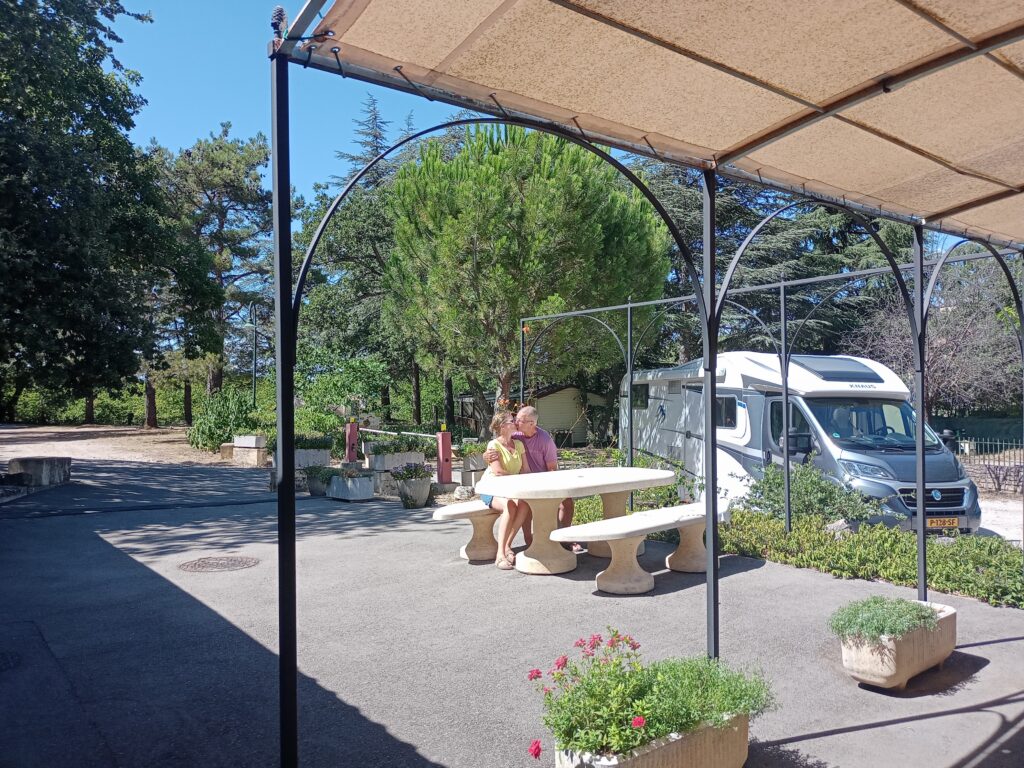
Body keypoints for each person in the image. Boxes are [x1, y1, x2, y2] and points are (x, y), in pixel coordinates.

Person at [484, 405, 579, 552]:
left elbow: (552, 468)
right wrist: (486, 456)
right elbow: (497, 446)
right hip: (519, 482)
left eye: (520, 420)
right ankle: (528, 540)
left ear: (532, 424)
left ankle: (565, 539)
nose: (516, 422)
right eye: (515, 419)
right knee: (523, 503)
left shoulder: (544, 440)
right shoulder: (516, 435)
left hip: (540, 479)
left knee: (566, 501)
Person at [479, 410, 531, 570]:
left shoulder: (519, 445)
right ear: (502, 426)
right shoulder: (493, 445)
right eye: (511, 420)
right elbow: (498, 472)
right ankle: (500, 555)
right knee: (510, 506)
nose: (515, 422)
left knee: (524, 504)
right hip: (492, 488)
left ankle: (507, 545)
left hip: (511, 489)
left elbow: (526, 470)